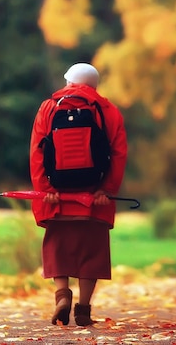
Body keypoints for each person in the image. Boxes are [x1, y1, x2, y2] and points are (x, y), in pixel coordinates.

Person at [29, 62, 128, 327]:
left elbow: (37, 154)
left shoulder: (48, 108)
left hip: (58, 197)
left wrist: (45, 191)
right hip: (93, 196)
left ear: (69, 82)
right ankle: (83, 308)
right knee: (91, 253)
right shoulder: (109, 111)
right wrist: (106, 191)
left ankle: (62, 296)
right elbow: (118, 155)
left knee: (57, 249)